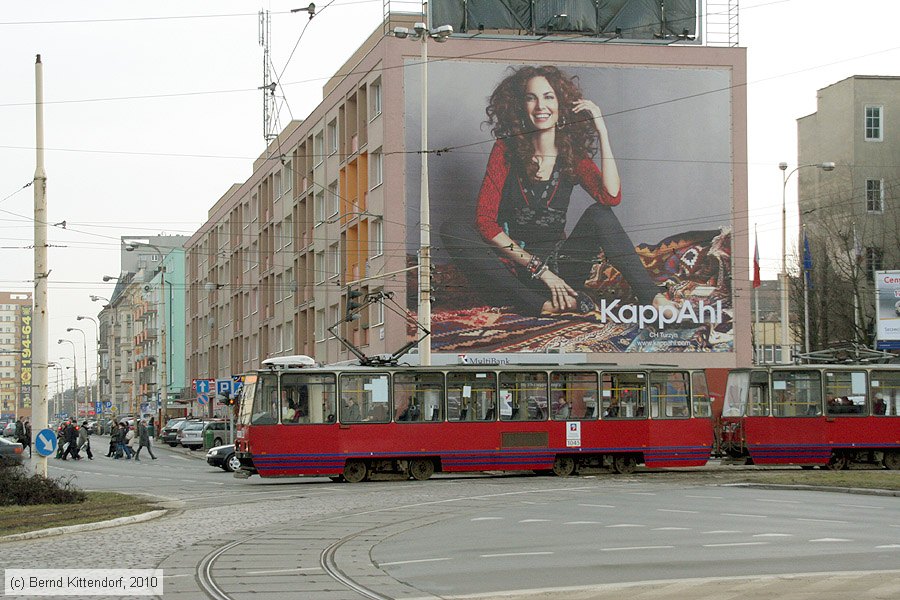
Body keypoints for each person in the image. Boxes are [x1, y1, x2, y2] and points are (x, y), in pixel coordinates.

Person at [442, 65, 674, 318]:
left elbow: (610, 197)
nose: (541, 106)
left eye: (548, 97)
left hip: (563, 272)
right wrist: (541, 271)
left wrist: (602, 132)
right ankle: (539, 305)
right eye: (531, 98)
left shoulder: (571, 155)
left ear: (561, 105)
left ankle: (652, 296)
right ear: (521, 106)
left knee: (600, 214)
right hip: (515, 274)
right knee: (452, 229)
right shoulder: (505, 151)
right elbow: (485, 223)